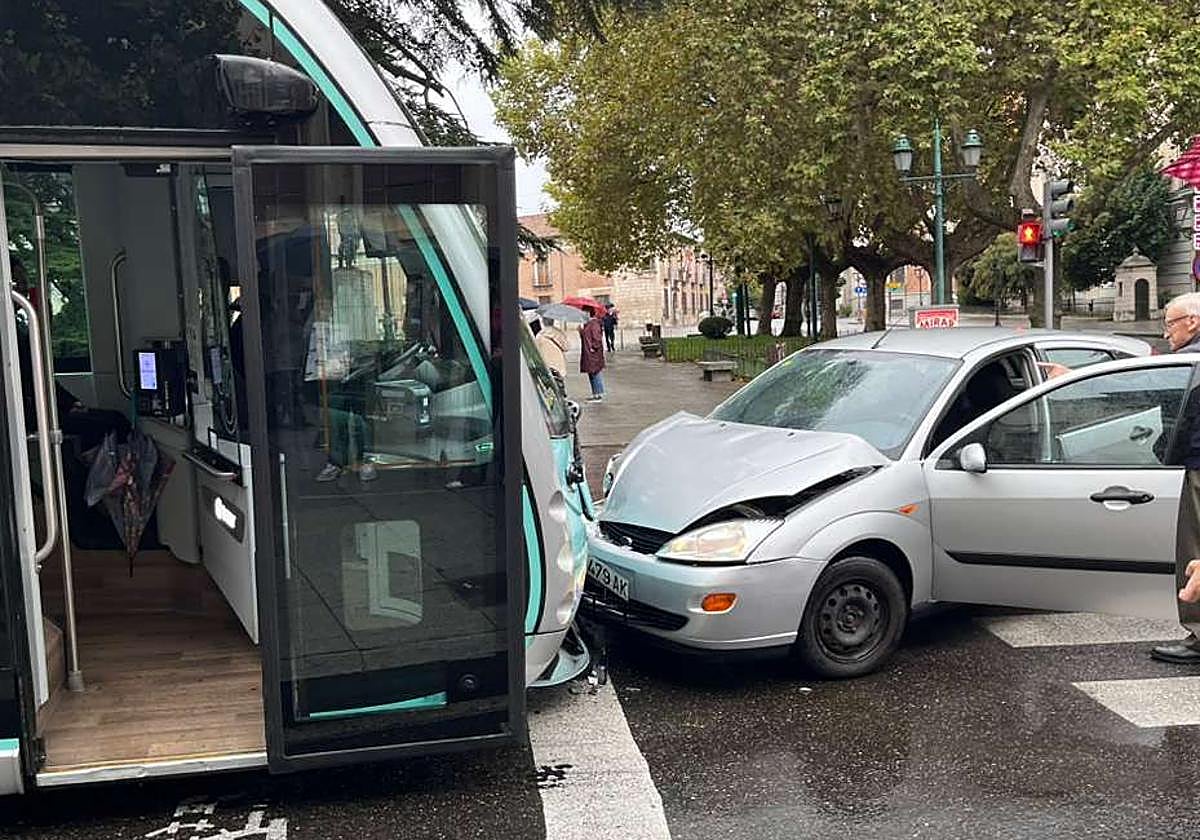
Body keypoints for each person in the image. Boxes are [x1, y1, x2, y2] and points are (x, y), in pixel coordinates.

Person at [1148, 292, 1200, 664]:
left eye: (1170, 323)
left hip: (1198, 465)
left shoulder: (1188, 363)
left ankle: (1198, 635)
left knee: (1194, 552)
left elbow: (1142, 394)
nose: (1166, 333)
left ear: (1193, 322)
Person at [579, 306, 606, 401]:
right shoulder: (589, 323)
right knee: (592, 373)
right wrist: (581, 331)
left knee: (595, 373)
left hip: (593, 354)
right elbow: (586, 337)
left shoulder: (594, 323)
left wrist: (593, 348)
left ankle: (598, 395)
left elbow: (597, 338)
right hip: (588, 353)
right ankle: (595, 394)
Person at [534, 315, 568, 382]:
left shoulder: (539, 335)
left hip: (547, 367)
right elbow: (566, 347)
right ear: (553, 321)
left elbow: (536, 352)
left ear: (543, 322)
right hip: (559, 367)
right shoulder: (559, 333)